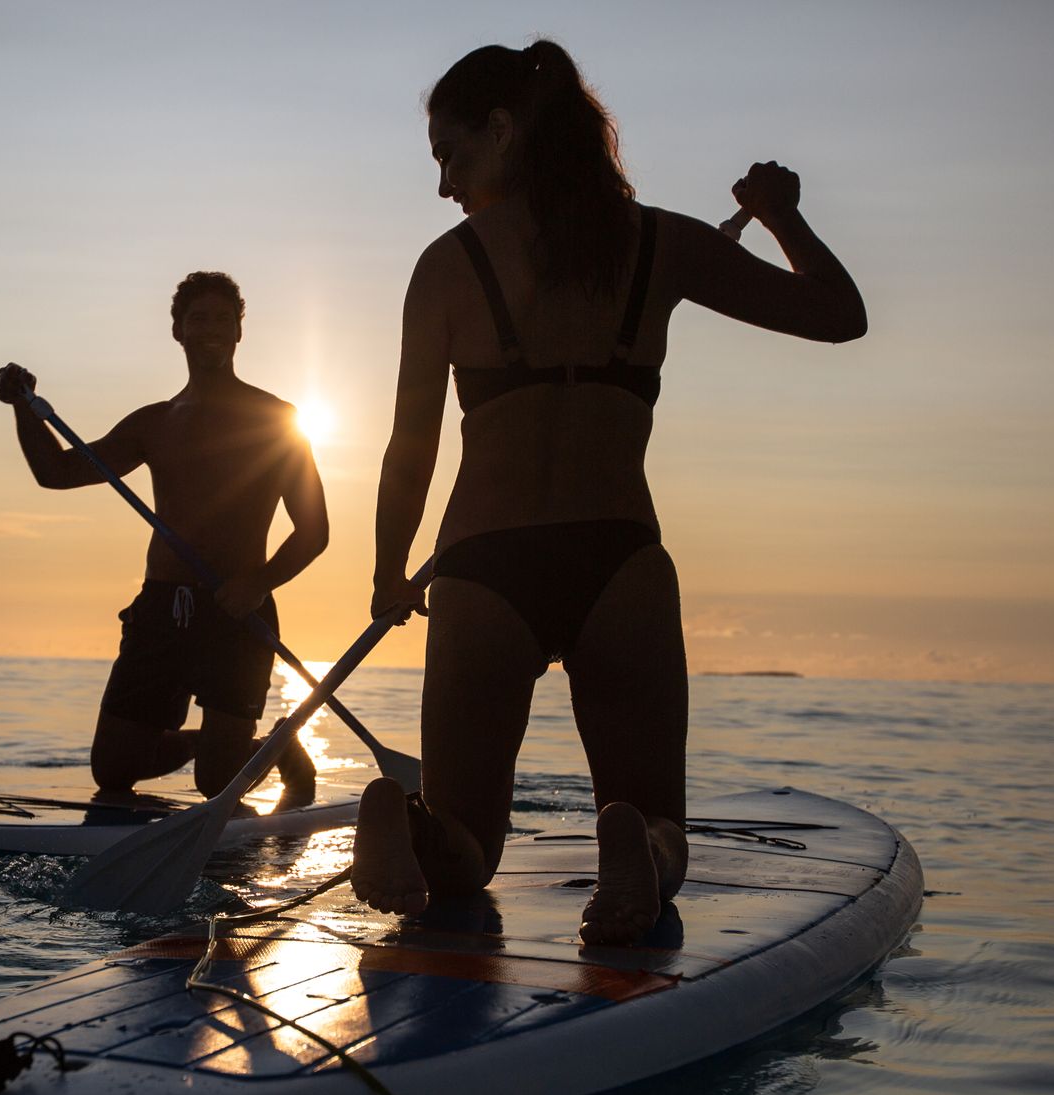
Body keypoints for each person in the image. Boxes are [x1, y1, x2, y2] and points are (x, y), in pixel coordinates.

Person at [352, 41, 866, 945]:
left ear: (503, 132)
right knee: (659, 821)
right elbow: (838, 316)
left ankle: (418, 826)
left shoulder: (447, 264)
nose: (443, 184)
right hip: (615, 560)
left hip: (482, 564)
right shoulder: (659, 241)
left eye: (451, 155)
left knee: (470, 849)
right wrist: (783, 216)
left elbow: (411, 446)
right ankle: (639, 847)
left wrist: (391, 572)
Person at [0, 271, 328, 805]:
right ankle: (262, 745)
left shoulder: (277, 419)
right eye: (198, 318)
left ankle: (274, 750)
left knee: (217, 786)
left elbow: (313, 532)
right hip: (160, 610)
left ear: (240, 332)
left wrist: (257, 584)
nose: (211, 329)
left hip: (238, 614)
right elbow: (56, 472)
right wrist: (23, 407)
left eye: (224, 319)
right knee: (114, 771)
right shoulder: (154, 422)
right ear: (178, 331)